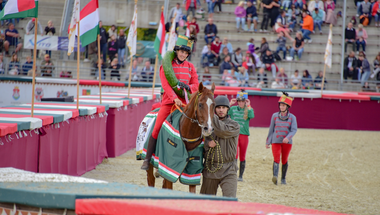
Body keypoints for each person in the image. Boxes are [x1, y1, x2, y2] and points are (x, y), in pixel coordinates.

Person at [140, 35, 199, 170]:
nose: (183, 54)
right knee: (156, 128)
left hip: (186, 103)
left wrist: (189, 87)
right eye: (181, 51)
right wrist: (174, 98)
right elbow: (166, 85)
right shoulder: (166, 66)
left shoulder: (190, 67)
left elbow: (196, 83)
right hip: (169, 103)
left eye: (186, 53)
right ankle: (148, 159)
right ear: (177, 51)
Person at [200, 96, 240, 197]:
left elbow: (221, 131)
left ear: (228, 109)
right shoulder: (206, 125)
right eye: (218, 107)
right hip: (210, 168)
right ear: (214, 109)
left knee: (230, 201)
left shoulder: (234, 125)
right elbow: (200, 142)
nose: (221, 110)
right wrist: (207, 144)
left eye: (223, 107)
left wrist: (211, 115)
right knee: (205, 203)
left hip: (229, 169)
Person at [266, 92, 297, 185]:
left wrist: (288, 138)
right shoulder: (274, 116)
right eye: (280, 105)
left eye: (283, 105)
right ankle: (275, 177)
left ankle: (283, 179)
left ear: (287, 106)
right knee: (276, 159)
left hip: (287, 143)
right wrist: (268, 141)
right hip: (276, 141)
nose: (281, 107)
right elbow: (271, 129)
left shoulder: (292, 117)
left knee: (284, 160)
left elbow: (294, 130)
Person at [228, 92, 254, 182]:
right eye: (239, 101)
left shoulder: (248, 109)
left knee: (242, 156)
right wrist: (230, 103)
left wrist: (249, 105)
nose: (241, 103)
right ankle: (234, 174)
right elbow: (223, 112)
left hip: (244, 136)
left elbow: (252, 116)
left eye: (242, 101)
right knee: (235, 155)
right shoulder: (233, 108)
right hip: (234, 135)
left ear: (245, 101)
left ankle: (241, 176)